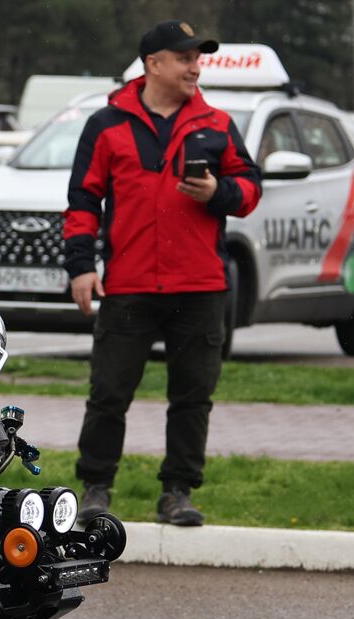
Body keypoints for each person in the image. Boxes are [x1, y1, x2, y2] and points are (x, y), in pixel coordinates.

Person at [66, 21, 261, 526]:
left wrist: (218, 192)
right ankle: (95, 488)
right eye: (186, 58)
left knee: (193, 398)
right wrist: (81, 267)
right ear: (154, 64)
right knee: (109, 393)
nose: (197, 67)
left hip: (200, 287)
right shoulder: (106, 123)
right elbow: (83, 201)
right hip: (128, 284)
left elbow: (250, 189)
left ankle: (178, 493)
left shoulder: (217, 123)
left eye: (199, 58)